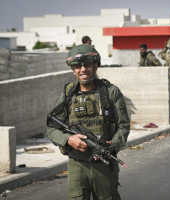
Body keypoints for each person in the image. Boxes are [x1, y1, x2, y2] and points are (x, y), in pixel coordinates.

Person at [47, 44, 130, 200]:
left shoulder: (111, 92)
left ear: (96, 65)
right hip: (77, 165)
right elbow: (52, 129)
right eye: (78, 66)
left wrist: (112, 146)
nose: (83, 69)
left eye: (87, 64)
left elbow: (124, 126)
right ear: (73, 70)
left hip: (104, 166)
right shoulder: (68, 94)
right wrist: (68, 139)